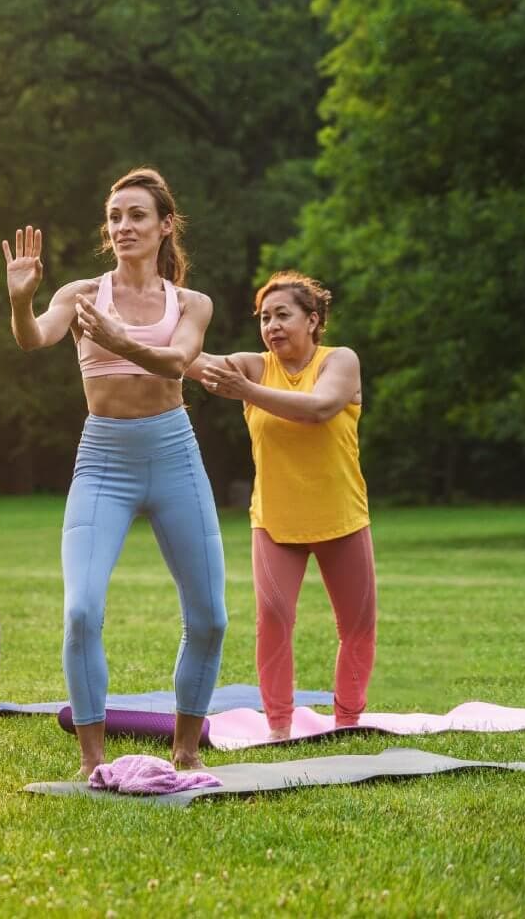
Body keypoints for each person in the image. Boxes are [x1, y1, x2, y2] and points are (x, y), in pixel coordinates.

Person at [4, 167, 226, 773]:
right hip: (103, 460)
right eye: (115, 217)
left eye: (136, 216)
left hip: (175, 455)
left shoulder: (191, 302)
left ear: (164, 226)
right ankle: (91, 758)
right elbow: (33, 339)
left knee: (210, 616)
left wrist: (118, 339)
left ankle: (186, 747)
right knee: (80, 611)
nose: (123, 226)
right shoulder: (79, 295)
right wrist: (22, 299)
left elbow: (178, 361)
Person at [191, 270, 374, 739]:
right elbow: (187, 359)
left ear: (312, 321)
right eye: (265, 317)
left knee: (356, 625)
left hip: (342, 518)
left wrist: (246, 393)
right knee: (273, 622)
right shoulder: (253, 366)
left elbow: (317, 409)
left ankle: (348, 721)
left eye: (283, 315)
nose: (271, 326)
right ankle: (278, 726)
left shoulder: (341, 361)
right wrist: (128, 326)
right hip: (275, 521)